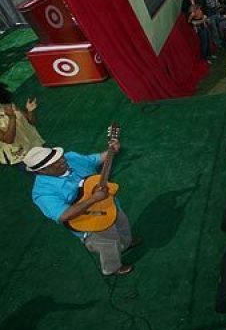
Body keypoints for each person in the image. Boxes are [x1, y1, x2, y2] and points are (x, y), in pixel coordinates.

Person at [25, 141, 141, 276]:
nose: (62, 160)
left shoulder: (71, 158)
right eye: (55, 163)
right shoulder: (42, 192)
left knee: (122, 224)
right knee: (109, 244)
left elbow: (94, 159)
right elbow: (63, 215)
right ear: (42, 171)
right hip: (90, 223)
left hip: (110, 205)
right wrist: (94, 199)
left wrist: (111, 151)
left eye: (59, 157)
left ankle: (125, 244)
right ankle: (112, 268)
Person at [0, 84, 43, 167]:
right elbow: (8, 140)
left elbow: (31, 122)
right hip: (21, 156)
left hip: (35, 145)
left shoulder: (8, 104)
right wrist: (12, 118)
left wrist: (30, 111)